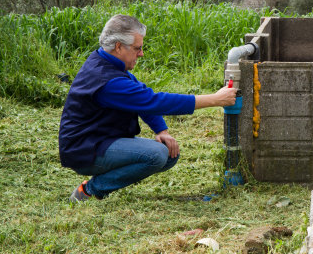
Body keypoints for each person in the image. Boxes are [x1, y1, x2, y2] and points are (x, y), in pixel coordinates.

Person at [59, 14, 236, 202]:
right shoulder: (108, 81)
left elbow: (141, 97)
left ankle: (99, 182)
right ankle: (90, 191)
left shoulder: (105, 61)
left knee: (168, 153)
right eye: (137, 48)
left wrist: (162, 130)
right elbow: (155, 101)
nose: (141, 53)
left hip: (98, 140)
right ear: (118, 47)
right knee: (156, 154)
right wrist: (215, 99)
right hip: (83, 149)